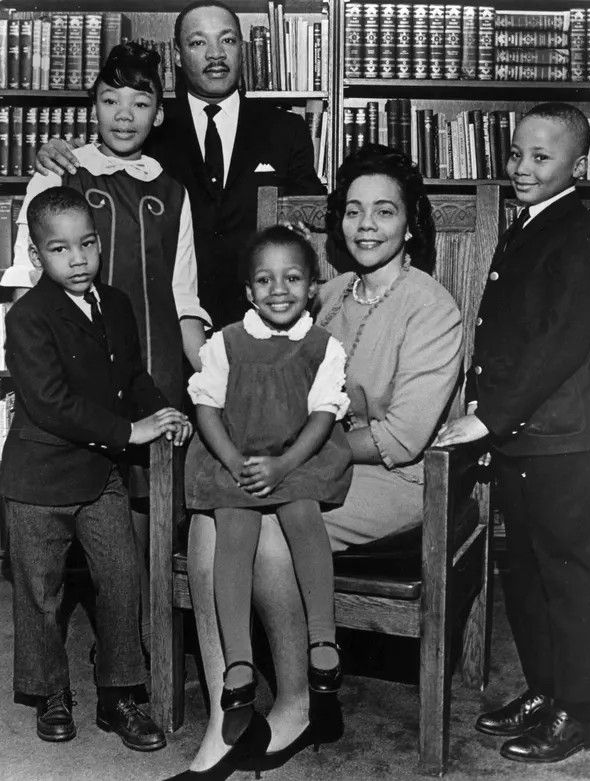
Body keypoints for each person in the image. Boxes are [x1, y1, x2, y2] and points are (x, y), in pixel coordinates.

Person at [169, 145, 463, 779]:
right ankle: (231, 710)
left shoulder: (433, 308)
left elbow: (404, 438)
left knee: (268, 521)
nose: (366, 225)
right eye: (353, 211)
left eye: (384, 212)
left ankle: (298, 701)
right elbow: (252, 351)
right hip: (304, 459)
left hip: (396, 478)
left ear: (411, 221)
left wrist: (286, 453)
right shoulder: (327, 292)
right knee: (210, 511)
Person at [2, 41, 211, 664]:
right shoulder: (59, 171)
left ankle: (129, 642)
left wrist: (217, 379)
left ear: (158, 114)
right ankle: (64, 652)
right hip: (71, 371)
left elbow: (184, 293)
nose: (124, 114)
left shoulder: (172, 191)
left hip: (150, 362)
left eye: (140, 102)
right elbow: (23, 274)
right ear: (91, 104)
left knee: (139, 509)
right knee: (63, 511)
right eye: (110, 99)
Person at [436, 103, 590, 764]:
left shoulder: (584, 235)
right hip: (523, 434)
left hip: (565, 438)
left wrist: (487, 416)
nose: (522, 167)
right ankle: (546, 691)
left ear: (579, 164)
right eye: (516, 153)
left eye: (541, 157)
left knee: (569, 576)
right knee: (526, 571)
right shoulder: (530, 224)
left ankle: (583, 713)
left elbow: (558, 345)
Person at [0, 186, 192, 750]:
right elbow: (51, 402)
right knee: (40, 592)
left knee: (120, 579)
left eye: (88, 244)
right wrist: (130, 431)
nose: (78, 258)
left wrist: (159, 409)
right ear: (37, 256)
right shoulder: (29, 317)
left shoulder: (116, 303)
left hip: (99, 473)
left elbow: (130, 377)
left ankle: (119, 695)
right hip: (37, 481)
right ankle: (50, 693)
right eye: (61, 249)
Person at [32, 1, 325, 328]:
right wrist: (57, 151)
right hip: (167, 324)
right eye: (198, 42)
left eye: (226, 40)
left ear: (242, 48)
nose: (215, 54)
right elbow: (103, 160)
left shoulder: (285, 129)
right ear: (177, 54)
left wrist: (304, 231)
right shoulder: (149, 125)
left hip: (261, 319)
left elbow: (312, 214)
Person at [185, 225, 352, 747]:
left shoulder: (324, 347)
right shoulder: (226, 342)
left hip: (297, 455)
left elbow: (324, 417)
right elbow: (206, 407)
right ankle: (239, 662)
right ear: (249, 292)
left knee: (302, 513)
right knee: (234, 527)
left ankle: (323, 640)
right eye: (265, 279)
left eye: (293, 278)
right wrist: (234, 460)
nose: (279, 290)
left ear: (312, 287)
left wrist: (283, 467)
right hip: (236, 456)